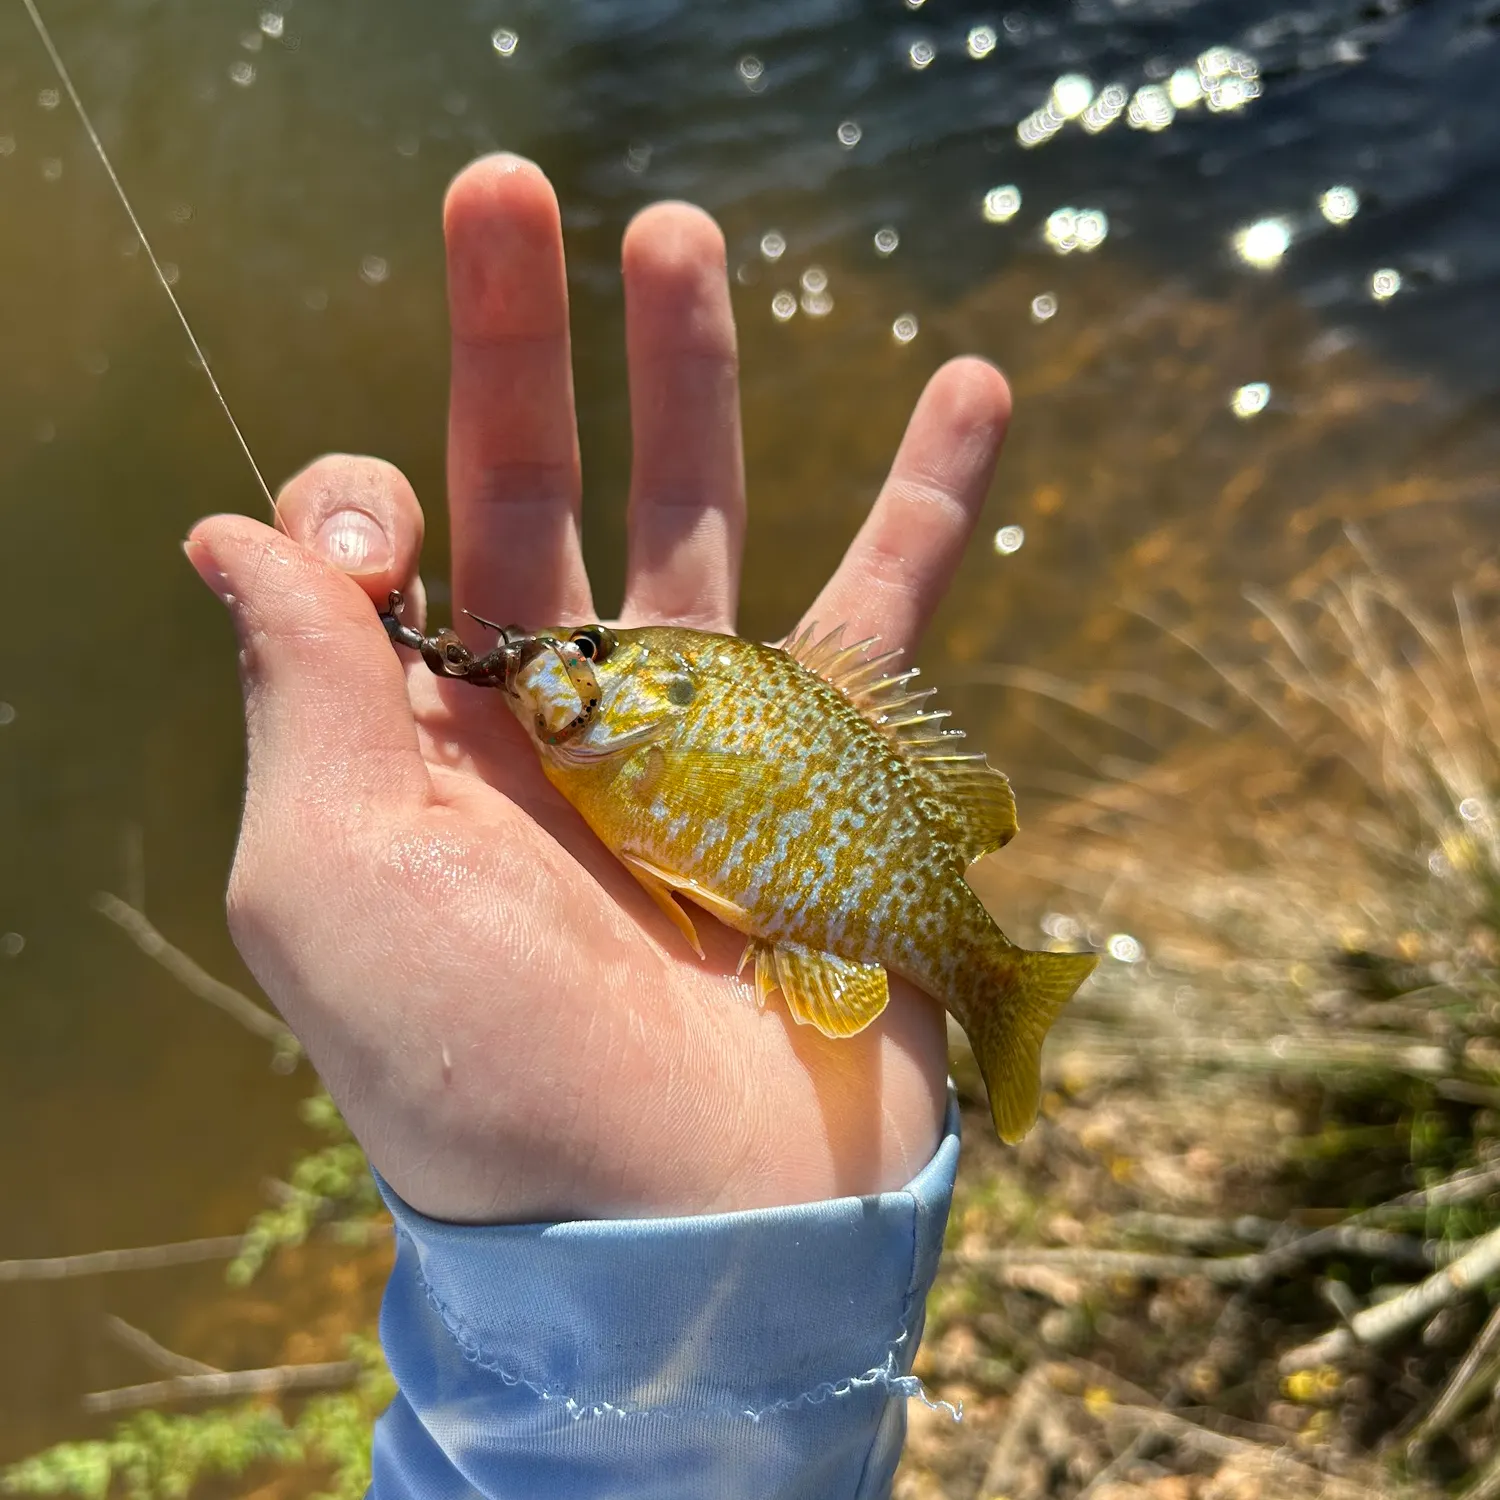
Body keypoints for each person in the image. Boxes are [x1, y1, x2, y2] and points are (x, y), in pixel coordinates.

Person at [184, 153, 1013, 1499]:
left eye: (578, 653)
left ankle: (998, 987)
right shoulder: (584, 764)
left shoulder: (624, 749)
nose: (547, 666)